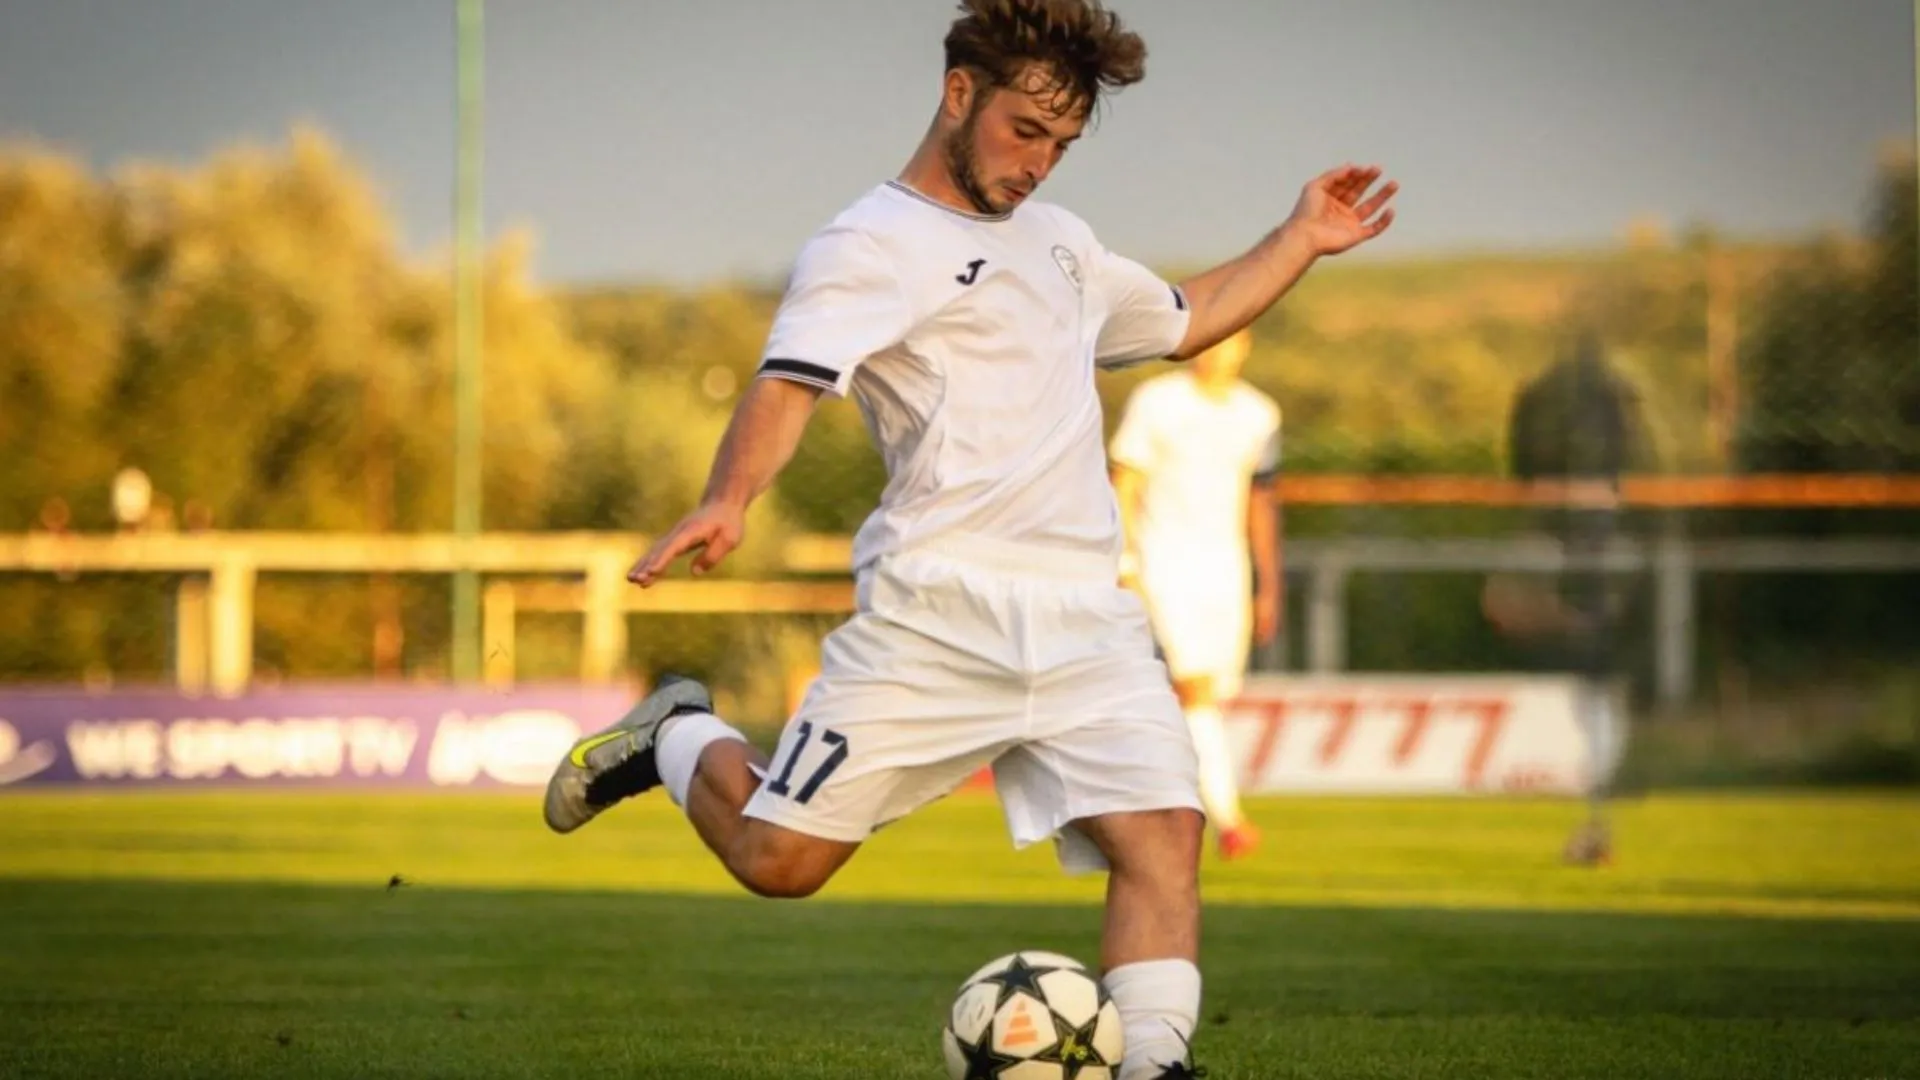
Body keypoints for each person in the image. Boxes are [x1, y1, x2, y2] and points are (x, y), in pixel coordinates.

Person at [544, 2, 1396, 1076]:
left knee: (1163, 832)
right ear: (959, 93)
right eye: (1024, 131)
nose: (1038, 163)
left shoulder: (1063, 244)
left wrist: (1299, 238)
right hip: (938, 614)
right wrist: (730, 497)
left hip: (1085, 615)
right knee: (778, 861)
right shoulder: (869, 245)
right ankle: (676, 733)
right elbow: (789, 384)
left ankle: (1156, 1064)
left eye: (1061, 144)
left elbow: (1185, 318)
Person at [1110, 328, 1281, 862]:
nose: (1218, 350)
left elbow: (1260, 501)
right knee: (1194, 689)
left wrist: (1268, 581)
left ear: (1245, 346)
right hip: (1164, 560)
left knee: (1207, 697)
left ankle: (1152, 800)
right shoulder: (1157, 402)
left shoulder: (1259, 414)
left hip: (1226, 569)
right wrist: (1124, 558)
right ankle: (1229, 819)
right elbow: (1125, 482)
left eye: (1230, 340)